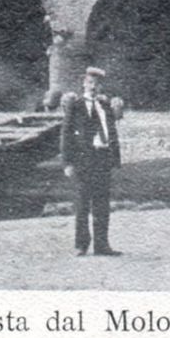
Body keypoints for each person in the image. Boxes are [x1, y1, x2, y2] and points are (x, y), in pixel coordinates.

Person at [60, 66, 122, 256]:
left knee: (102, 205)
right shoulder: (76, 105)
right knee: (82, 204)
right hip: (82, 160)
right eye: (89, 83)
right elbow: (66, 134)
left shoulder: (105, 106)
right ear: (84, 84)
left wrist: (115, 158)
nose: (93, 87)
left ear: (100, 86)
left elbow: (112, 131)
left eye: (96, 84)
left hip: (102, 158)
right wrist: (67, 163)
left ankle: (102, 245)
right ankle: (81, 245)